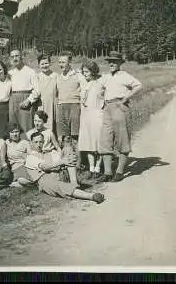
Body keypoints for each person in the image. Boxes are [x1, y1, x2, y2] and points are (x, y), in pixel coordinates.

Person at [98, 51, 142, 183]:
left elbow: (138, 85)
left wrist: (125, 98)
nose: (111, 63)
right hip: (107, 108)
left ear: (119, 63)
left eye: (115, 61)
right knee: (105, 139)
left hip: (119, 107)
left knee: (122, 139)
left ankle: (119, 171)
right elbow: (98, 86)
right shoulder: (106, 76)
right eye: (110, 61)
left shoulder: (124, 76)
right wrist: (101, 96)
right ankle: (107, 172)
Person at [23, 132, 105, 203]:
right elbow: (44, 167)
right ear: (31, 143)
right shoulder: (30, 157)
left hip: (59, 173)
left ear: (43, 142)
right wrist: (62, 162)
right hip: (45, 179)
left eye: (41, 142)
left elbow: (63, 160)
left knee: (68, 149)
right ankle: (92, 196)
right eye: (36, 142)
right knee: (60, 186)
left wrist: (63, 161)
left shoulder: (49, 153)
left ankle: (74, 183)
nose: (38, 145)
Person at [78, 61, 105, 179]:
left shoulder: (100, 84)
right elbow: (83, 101)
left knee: (98, 142)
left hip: (98, 114)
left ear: (93, 71)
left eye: (87, 72)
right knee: (89, 143)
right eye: (83, 72)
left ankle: (98, 168)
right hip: (87, 115)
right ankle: (91, 167)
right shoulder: (85, 84)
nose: (84, 74)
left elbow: (105, 98)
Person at [56, 51, 86, 148]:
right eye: (60, 62)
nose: (61, 65)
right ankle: (67, 158)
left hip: (74, 106)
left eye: (63, 62)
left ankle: (77, 160)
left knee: (75, 135)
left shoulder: (78, 75)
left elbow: (85, 91)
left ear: (69, 62)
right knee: (64, 136)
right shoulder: (58, 77)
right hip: (62, 107)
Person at [8, 49, 40, 135]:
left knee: (26, 127)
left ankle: (28, 146)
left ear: (22, 57)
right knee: (13, 126)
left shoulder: (30, 71)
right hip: (12, 100)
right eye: (12, 57)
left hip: (25, 100)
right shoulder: (10, 73)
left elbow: (37, 90)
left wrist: (29, 100)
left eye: (17, 56)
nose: (15, 58)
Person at [34, 53, 58, 132]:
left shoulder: (56, 76)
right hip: (41, 104)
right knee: (42, 123)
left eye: (46, 63)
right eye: (42, 64)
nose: (44, 66)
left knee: (53, 123)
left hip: (53, 104)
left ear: (50, 63)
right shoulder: (37, 76)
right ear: (39, 65)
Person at [5, 123, 31, 187]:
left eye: (16, 131)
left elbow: (31, 157)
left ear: (20, 132)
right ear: (8, 133)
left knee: (21, 180)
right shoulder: (7, 142)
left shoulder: (25, 143)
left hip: (22, 167)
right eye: (12, 132)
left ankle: (33, 183)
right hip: (11, 169)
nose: (15, 134)